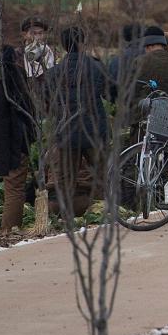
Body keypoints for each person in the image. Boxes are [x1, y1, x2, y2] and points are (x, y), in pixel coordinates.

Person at [46, 26, 111, 219]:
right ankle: (102, 212)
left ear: (64, 46)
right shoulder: (96, 67)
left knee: (66, 177)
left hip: (66, 132)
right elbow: (110, 93)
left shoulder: (54, 73)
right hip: (94, 130)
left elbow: (46, 101)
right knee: (101, 174)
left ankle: (64, 217)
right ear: (83, 43)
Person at [0, 45, 37, 233]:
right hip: (18, 142)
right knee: (15, 187)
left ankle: (8, 228)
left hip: (7, 144)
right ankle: (10, 227)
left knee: (12, 187)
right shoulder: (17, 78)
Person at [107, 23, 145, 89]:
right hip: (149, 97)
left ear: (125, 37)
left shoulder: (116, 60)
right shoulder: (150, 55)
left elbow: (111, 85)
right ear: (142, 35)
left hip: (123, 97)